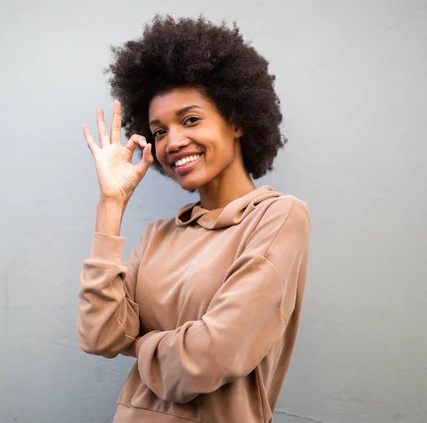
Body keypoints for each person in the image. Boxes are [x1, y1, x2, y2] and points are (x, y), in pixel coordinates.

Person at [78, 15, 311, 423]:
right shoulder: (158, 236)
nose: (174, 142)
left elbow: (208, 359)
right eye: (159, 131)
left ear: (236, 120)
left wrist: (139, 343)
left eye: (190, 120)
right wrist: (111, 205)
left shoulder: (277, 218)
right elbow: (99, 335)